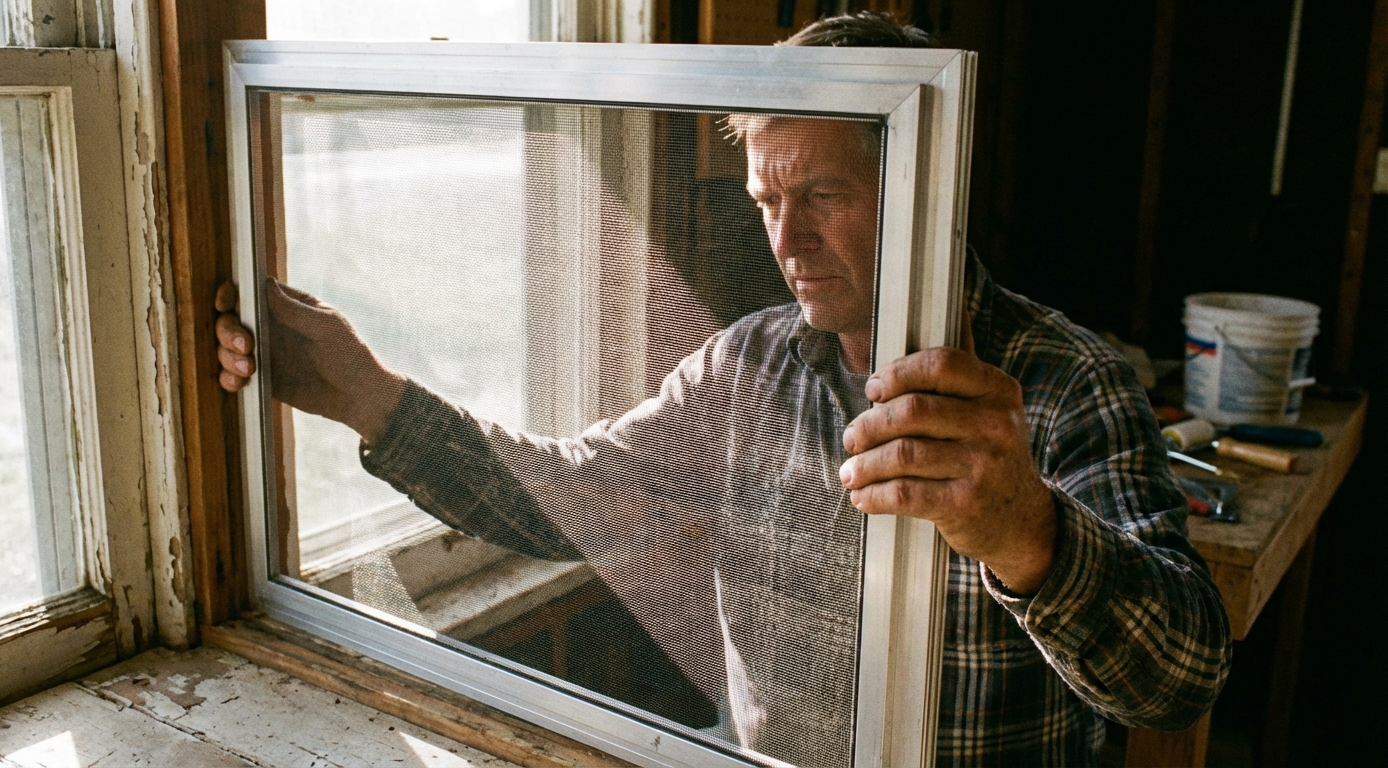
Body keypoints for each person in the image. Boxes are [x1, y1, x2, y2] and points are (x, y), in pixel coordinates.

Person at [215, 13, 1231, 766]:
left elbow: (1178, 679)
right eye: (767, 201)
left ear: (927, 182)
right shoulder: (748, 368)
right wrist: (365, 394)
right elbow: (564, 496)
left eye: (824, 196)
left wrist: (1028, 533)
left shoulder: (1063, 386)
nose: (787, 243)